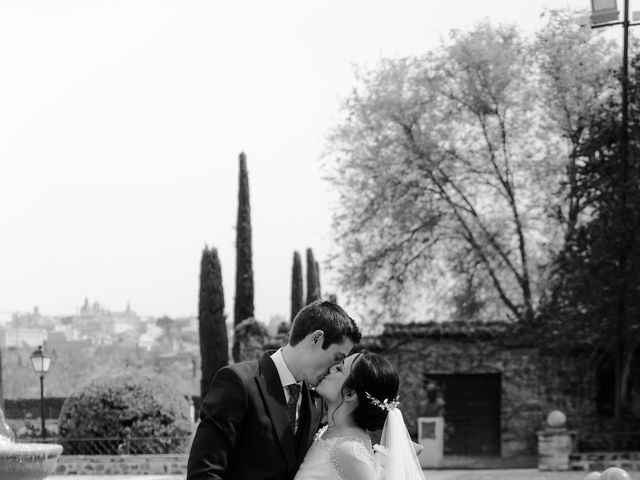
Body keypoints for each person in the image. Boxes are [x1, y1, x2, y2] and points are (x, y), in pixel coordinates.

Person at [187, 300, 361, 480]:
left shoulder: (316, 401)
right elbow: (204, 472)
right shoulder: (239, 382)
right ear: (316, 339)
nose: (334, 369)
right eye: (336, 358)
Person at [294, 351, 423, 480]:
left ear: (351, 394)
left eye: (339, 369)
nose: (330, 368)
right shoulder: (328, 431)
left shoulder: (349, 451)